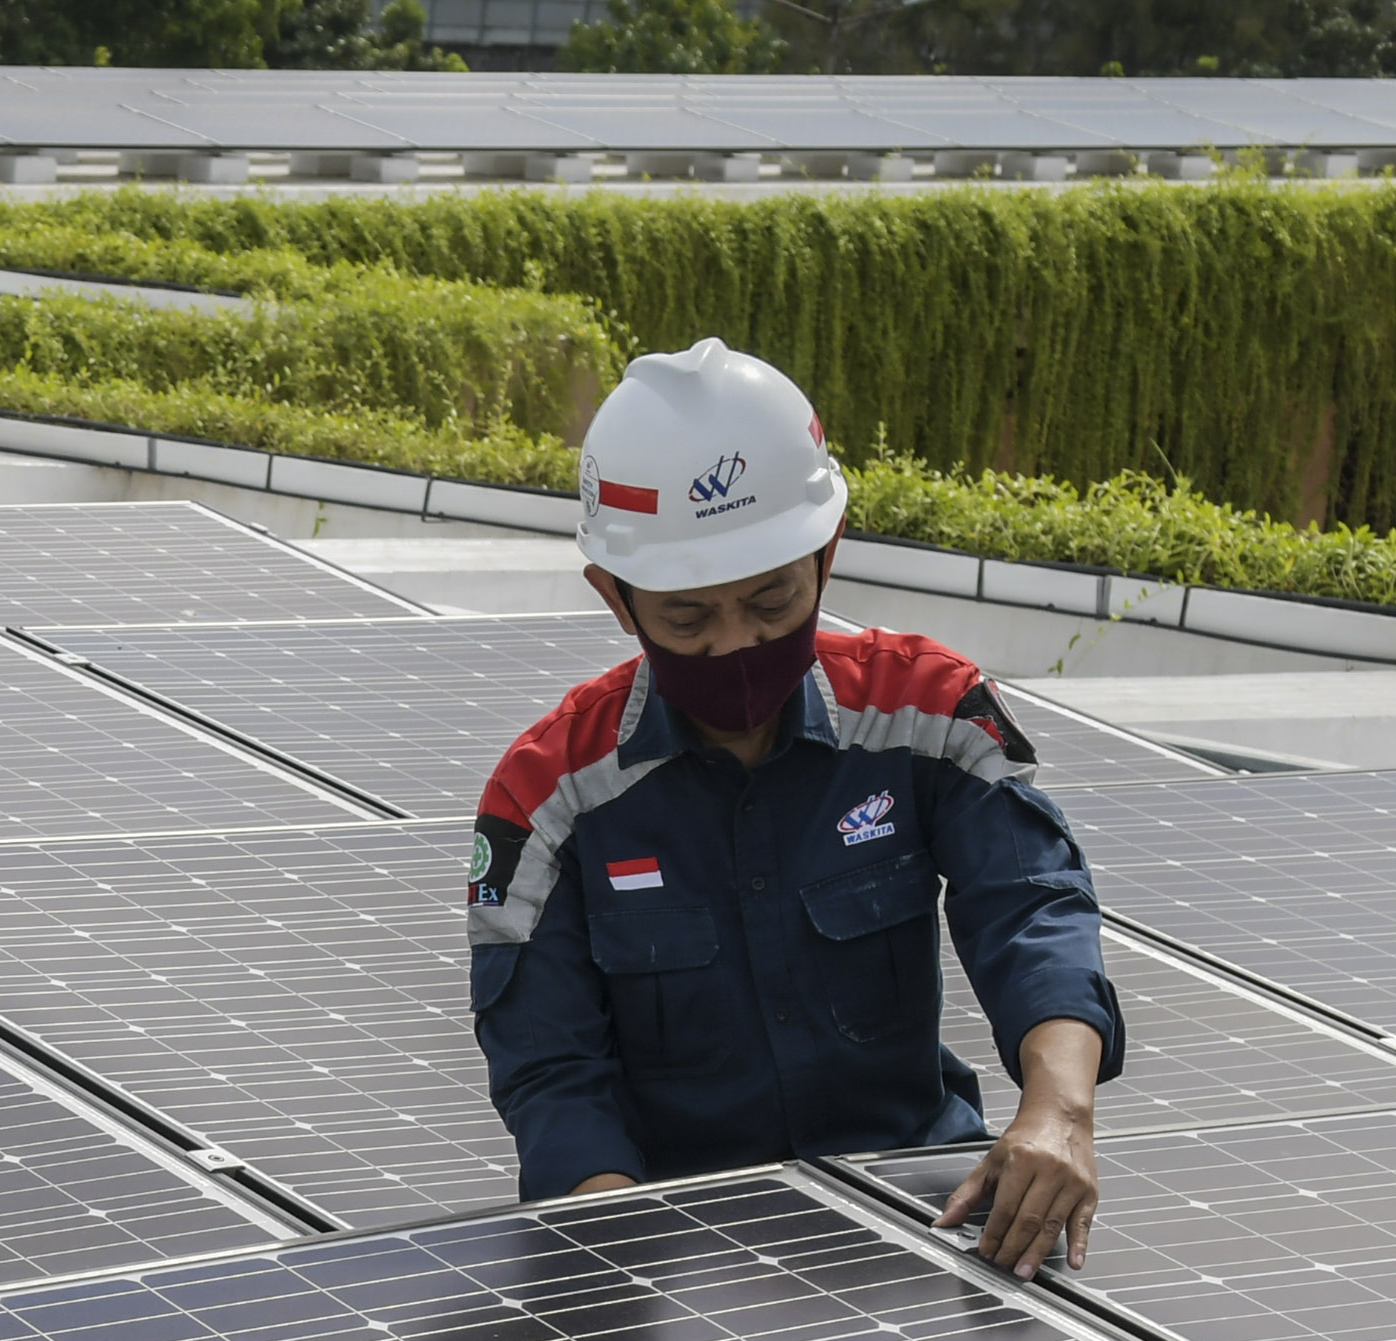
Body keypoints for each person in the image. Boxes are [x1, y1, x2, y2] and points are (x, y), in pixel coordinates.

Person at [467, 338, 1120, 1279]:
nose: (736, 643)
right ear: (616, 598)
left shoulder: (927, 715)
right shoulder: (547, 799)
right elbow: (552, 1072)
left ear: (826, 555)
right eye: (688, 618)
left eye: (772, 600)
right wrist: (615, 1251)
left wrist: (1058, 1113)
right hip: (681, 1244)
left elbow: (1031, 905)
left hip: (920, 1215)